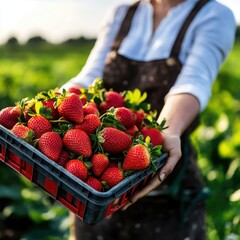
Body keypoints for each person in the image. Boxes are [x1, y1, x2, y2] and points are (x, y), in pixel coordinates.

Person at [61, 0, 236, 239]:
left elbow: (193, 81)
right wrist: (56, 106)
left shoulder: (213, 15)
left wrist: (166, 131)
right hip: (97, 191)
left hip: (166, 194)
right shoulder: (122, 14)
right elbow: (90, 77)